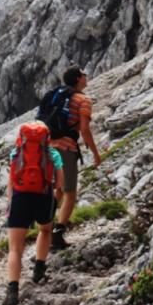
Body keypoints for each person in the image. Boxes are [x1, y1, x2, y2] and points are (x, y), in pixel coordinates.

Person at [1, 120, 64, 305]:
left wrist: (11, 203)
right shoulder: (53, 154)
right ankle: (39, 267)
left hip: (20, 198)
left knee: (14, 248)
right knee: (45, 230)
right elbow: (59, 184)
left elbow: (11, 182)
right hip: (43, 196)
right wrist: (55, 201)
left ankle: (12, 291)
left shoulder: (16, 153)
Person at [45, 65, 102, 250]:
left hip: (48, 147)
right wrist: (95, 153)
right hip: (66, 149)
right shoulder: (83, 100)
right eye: (84, 75)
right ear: (78, 78)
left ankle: (46, 226)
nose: (87, 77)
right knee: (70, 193)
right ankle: (57, 235)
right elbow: (84, 129)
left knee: (58, 190)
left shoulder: (58, 96)